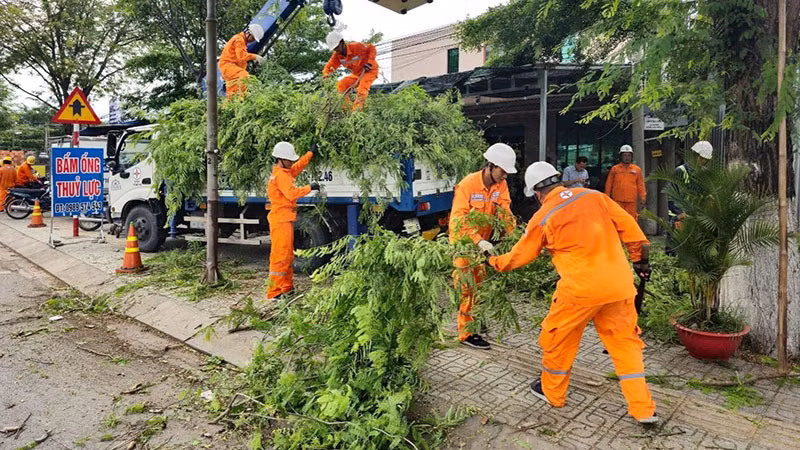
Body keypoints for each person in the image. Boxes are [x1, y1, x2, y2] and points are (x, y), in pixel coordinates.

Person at [488, 161, 658, 425]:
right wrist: (639, 262)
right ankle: (643, 409)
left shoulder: (543, 216)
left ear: (537, 193)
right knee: (626, 346)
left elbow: (520, 256)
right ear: (559, 180)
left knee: (558, 338)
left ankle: (552, 392)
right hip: (619, 286)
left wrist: (494, 261)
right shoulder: (596, 197)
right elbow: (632, 230)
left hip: (580, 291)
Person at [449, 143, 517, 350]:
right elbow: (458, 219)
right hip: (465, 244)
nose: (504, 176)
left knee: (480, 285)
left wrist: (514, 235)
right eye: (502, 171)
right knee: (467, 287)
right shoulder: (468, 185)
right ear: (491, 165)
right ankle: (466, 333)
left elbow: (505, 210)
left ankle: (475, 319)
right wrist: (478, 240)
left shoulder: (500, 185)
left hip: (484, 245)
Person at [266, 141, 320, 300]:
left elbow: (296, 168)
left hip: (284, 219)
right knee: (280, 257)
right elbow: (291, 194)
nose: (292, 162)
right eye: (289, 160)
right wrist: (309, 188)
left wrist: (309, 154)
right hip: (280, 220)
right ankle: (274, 293)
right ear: (281, 159)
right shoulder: (280, 176)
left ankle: (286, 288)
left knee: (287, 255)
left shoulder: (284, 171)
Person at [666, 140, 713, 256]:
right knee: (675, 248)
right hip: (679, 216)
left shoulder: (704, 173)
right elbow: (672, 194)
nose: (703, 162)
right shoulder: (681, 171)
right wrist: (680, 213)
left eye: (705, 160)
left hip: (695, 216)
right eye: (701, 159)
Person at [323, 31, 378, 110]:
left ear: (342, 42)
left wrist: (370, 62)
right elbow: (328, 67)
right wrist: (326, 76)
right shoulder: (337, 56)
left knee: (362, 89)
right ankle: (346, 111)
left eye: (337, 47)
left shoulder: (356, 47)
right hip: (357, 75)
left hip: (369, 71)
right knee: (341, 84)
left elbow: (371, 48)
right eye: (334, 48)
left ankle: (357, 112)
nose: (336, 50)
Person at [219, 24, 265, 100]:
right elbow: (241, 56)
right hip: (228, 66)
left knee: (231, 95)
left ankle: (228, 109)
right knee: (244, 76)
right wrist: (255, 57)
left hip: (229, 68)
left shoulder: (242, 42)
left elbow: (240, 61)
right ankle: (242, 99)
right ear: (248, 33)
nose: (252, 41)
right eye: (253, 38)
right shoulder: (239, 40)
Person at [605, 145, 646, 220]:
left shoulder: (637, 170)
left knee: (631, 219)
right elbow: (609, 184)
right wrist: (607, 197)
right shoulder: (615, 169)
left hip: (631, 200)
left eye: (629, 155)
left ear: (631, 157)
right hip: (617, 199)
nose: (627, 158)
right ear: (621, 156)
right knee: (617, 218)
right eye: (624, 155)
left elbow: (640, 184)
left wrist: (643, 197)